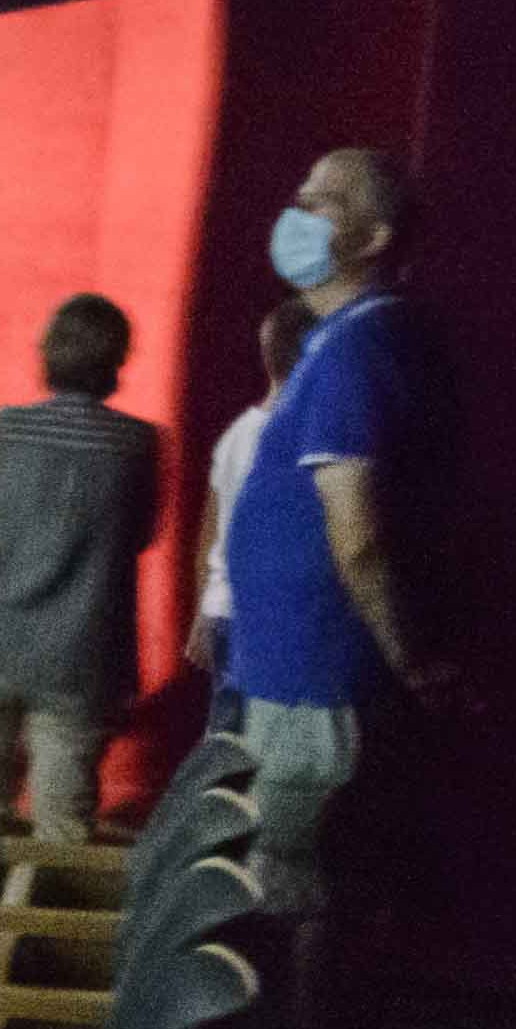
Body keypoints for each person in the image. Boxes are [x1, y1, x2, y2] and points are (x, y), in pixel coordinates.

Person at [215, 148, 464, 1029]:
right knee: (307, 902)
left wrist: (410, 658)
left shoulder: (362, 345)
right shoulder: (339, 340)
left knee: (315, 905)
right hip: (298, 674)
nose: (297, 211)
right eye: (299, 193)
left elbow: (356, 533)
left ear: (374, 236)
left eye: (321, 201)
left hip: (323, 683)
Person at [0, 292, 165, 983]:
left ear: (49, 352)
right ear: (118, 360)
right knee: (62, 833)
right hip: (79, 665)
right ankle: (48, 989)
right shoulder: (138, 445)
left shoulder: (3, 429)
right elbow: (142, 534)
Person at [183, 293, 314, 715]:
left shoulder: (236, 434)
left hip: (225, 613)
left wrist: (203, 611)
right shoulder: (309, 441)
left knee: (231, 742)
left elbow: (209, 536)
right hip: (278, 622)